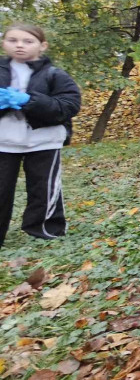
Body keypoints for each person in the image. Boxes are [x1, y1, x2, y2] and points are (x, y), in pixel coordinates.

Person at [0, 23, 81, 248]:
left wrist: (30, 101)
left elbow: (69, 105)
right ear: (3, 43)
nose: (19, 46)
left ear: (42, 45)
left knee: (43, 188)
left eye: (27, 41)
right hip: (2, 142)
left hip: (43, 140)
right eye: (13, 40)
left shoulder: (54, 74)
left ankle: (44, 230)